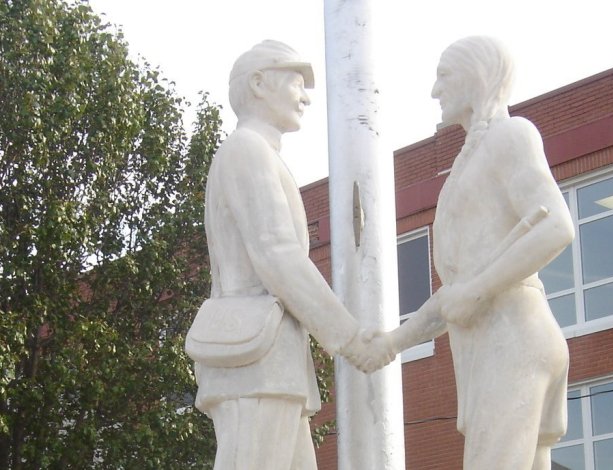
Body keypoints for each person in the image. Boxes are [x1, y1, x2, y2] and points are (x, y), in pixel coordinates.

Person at [190, 40, 390, 469]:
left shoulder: (261, 154)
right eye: (296, 83)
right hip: (255, 365)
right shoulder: (247, 149)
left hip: (272, 368)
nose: (305, 96)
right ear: (259, 84)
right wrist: (349, 338)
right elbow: (276, 253)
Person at [377, 36, 575, 469]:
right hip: (497, 341)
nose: (435, 91)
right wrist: (393, 342)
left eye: (444, 76)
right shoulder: (477, 153)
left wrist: (479, 290)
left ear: (476, 76)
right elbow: (456, 296)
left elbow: (557, 226)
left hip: (513, 340)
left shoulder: (511, 135)